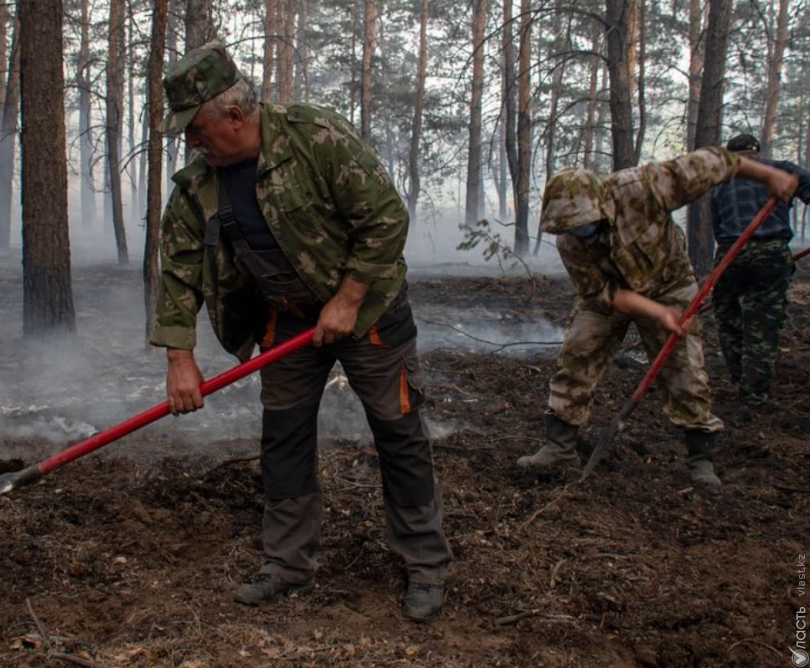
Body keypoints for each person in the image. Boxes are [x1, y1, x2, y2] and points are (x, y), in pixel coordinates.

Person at [150, 41, 451, 622]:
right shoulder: (197, 187)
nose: (190, 141)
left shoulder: (316, 138)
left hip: (370, 315)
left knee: (398, 431)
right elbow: (178, 269)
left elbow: (386, 216)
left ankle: (425, 563)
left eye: (195, 128)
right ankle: (287, 563)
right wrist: (178, 358)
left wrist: (349, 296)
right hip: (285, 317)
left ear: (234, 116)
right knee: (283, 437)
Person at [517, 146, 798, 489]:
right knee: (577, 354)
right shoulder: (571, 242)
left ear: (601, 204)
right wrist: (655, 313)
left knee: (684, 370)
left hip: (670, 285)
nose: (580, 232)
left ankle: (700, 459)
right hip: (614, 295)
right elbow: (601, 293)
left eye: (585, 225)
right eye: (573, 228)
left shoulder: (644, 186)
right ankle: (560, 448)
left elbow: (715, 162)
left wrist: (770, 175)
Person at [709, 133, 810, 410]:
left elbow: (717, 227)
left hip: (731, 252)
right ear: (757, 152)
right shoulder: (780, 169)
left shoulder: (722, 182)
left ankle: (741, 376)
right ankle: (753, 394)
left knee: (726, 312)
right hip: (771, 252)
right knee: (763, 321)